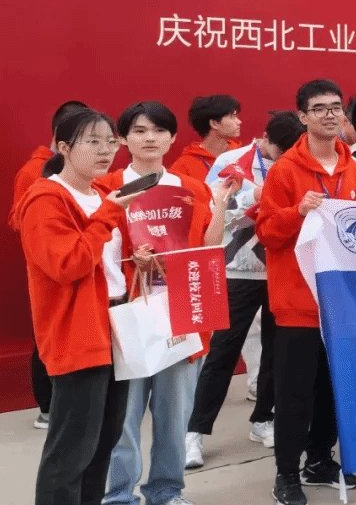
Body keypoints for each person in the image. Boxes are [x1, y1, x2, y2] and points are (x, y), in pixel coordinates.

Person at [257, 79, 356, 505]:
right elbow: (267, 233)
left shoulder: (353, 169)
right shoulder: (285, 170)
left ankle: (319, 460)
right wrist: (297, 211)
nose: (330, 115)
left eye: (335, 107)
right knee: (294, 396)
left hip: (342, 304)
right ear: (303, 116)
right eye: (319, 108)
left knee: (334, 389)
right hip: (299, 304)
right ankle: (286, 474)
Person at [101, 102, 231, 505]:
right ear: (123, 139)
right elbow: (99, 252)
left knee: (174, 414)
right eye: (139, 131)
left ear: (173, 138)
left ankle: (166, 490)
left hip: (181, 311)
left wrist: (221, 206)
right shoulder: (108, 189)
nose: (150, 138)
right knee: (124, 415)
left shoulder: (192, 188)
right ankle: (118, 495)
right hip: (128, 312)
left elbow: (207, 249)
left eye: (159, 131)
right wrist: (132, 261)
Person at [13, 109, 140, 505]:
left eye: (111, 142)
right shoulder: (45, 199)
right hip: (78, 330)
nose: (105, 151)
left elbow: (107, 265)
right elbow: (67, 265)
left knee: (104, 441)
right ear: (64, 148)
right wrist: (108, 216)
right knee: (71, 451)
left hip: (117, 326)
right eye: (93, 141)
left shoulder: (101, 195)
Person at [184, 111, 307, 469]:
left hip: (281, 268)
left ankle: (263, 419)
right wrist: (253, 197)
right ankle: (195, 433)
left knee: (275, 351)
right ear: (265, 138)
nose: (283, 159)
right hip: (238, 269)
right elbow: (209, 208)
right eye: (278, 151)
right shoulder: (231, 161)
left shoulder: (297, 163)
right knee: (222, 351)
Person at [10, 99, 90, 430]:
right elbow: (21, 220)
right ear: (60, 137)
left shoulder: (85, 170)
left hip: (81, 266)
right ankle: (47, 407)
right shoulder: (33, 172)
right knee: (47, 338)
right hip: (51, 271)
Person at [169, 94, 242, 182]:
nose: (239, 122)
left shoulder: (242, 155)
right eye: (232, 117)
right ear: (214, 123)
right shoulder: (183, 167)